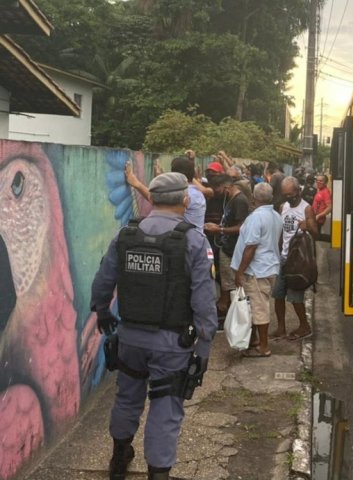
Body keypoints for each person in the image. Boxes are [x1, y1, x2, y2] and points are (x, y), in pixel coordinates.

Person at [90, 172, 217, 480]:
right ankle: (157, 474)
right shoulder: (193, 240)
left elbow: (103, 281)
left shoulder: (126, 234)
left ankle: (119, 457)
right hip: (172, 345)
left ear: (154, 199)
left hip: (130, 338)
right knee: (165, 408)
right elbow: (204, 303)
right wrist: (204, 348)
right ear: (185, 201)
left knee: (127, 397)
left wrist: (102, 311)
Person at [231, 183, 282, 358]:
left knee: (259, 308)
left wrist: (239, 271)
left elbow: (251, 247)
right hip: (268, 266)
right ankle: (254, 341)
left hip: (256, 270)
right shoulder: (276, 216)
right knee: (254, 306)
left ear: (254, 198)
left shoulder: (255, 218)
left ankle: (263, 346)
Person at [272, 176, 318, 340]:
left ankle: (304, 326)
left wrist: (309, 225)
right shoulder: (284, 206)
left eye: (291, 194)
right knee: (278, 295)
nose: (288, 198)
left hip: (297, 260)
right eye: (285, 195)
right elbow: (282, 231)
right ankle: (281, 328)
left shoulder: (306, 209)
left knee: (295, 297)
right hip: (283, 257)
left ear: (298, 191)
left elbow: (315, 233)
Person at [205, 176, 250, 319]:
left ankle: (232, 316)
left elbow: (241, 227)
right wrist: (219, 227)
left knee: (231, 284)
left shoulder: (240, 201)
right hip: (227, 246)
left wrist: (220, 231)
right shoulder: (232, 200)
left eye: (217, 189)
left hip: (232, 249)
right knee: (226, 282)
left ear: (226, 187)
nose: (216, 193)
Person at [124, 156, 207, 230]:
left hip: (185, 242)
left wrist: (136, 183)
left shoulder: (187, 193)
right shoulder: (196, 192)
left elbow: (159, 198)